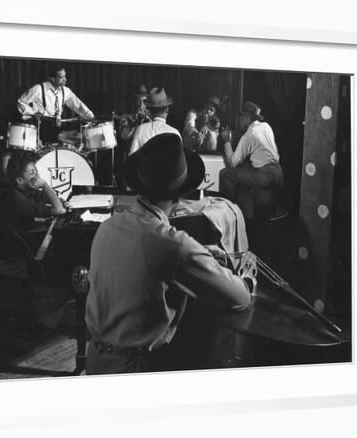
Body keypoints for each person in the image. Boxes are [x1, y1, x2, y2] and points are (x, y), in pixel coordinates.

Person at [85, 133, 254, 375]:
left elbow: (140, 263)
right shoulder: (173, 245)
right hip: (134, 371)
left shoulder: (107, 227)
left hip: (96, 364)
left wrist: (202, 253)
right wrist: (246, 279)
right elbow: (240, 298)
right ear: (181, 195)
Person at [218, 101, 283, 205]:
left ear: (247, 118)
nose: (239, 121)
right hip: (278, 173)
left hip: (265, 176)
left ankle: (232, 210)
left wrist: (226, 141)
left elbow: (233, 163)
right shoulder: (266, 126)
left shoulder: (250, 134)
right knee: (245, 169)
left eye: (241, 118)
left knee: (225, 174)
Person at [0, 151, 66, 242]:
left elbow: (56, 202)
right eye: (32, 173)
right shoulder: (16, 199)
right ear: (19, 180)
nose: (37, 177)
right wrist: (45, 185)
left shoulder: (26, 190)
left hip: (23, 238)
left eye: (36, 172)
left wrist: (63, 203)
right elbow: (59, 210)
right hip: (14, 249)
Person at [17, 65, 94, 143]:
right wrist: (34, 114)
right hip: (42, 128)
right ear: (52, 79)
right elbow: (21, 102)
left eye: (65, 76)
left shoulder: (65, 91)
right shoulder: (38, 89)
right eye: (61, 78)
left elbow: (78, 106)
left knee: (81, 137)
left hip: (57, 126)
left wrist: (91, 117)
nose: (65, 79)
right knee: (74, 138)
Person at [129, 88, 181, 155]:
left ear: (149, 111)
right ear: (167, 109)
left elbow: (132, 158)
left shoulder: (141, 130)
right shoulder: (175, 133)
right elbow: (180, 163)